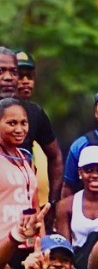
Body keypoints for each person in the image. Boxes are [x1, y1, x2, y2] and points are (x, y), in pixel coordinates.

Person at [0, 47, 62, 207]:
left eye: (14, 72)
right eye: (1, 71)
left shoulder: (33, 113)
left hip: (23, 208)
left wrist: (52, 203)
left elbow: (55, 157)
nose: (8, 77)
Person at [54, 146, 98, 269]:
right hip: (77, 267)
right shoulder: (66, 206)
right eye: (89, 170)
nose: (95, 175)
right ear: (80, 173)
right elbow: (64, 247)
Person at [0, 96, 39, 240]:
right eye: (12, 123)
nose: (19, 129)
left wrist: (40, 243)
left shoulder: (24, 157)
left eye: (24, 123)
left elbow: (34, 205)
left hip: (25, 243)